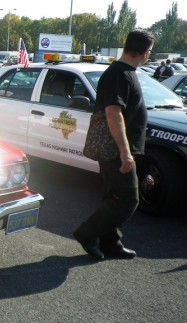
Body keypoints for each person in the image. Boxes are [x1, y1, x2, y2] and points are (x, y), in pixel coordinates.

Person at [73, 29, 154, 260]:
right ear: (144, 52)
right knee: (129, 199)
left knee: (113, 198)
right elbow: (113, 113)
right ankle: (87, 233)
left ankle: (111, 243)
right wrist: (125, 152)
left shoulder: (125, 72)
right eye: (149, 51)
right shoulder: (119, 73)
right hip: (115, 150)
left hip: (118, 149)